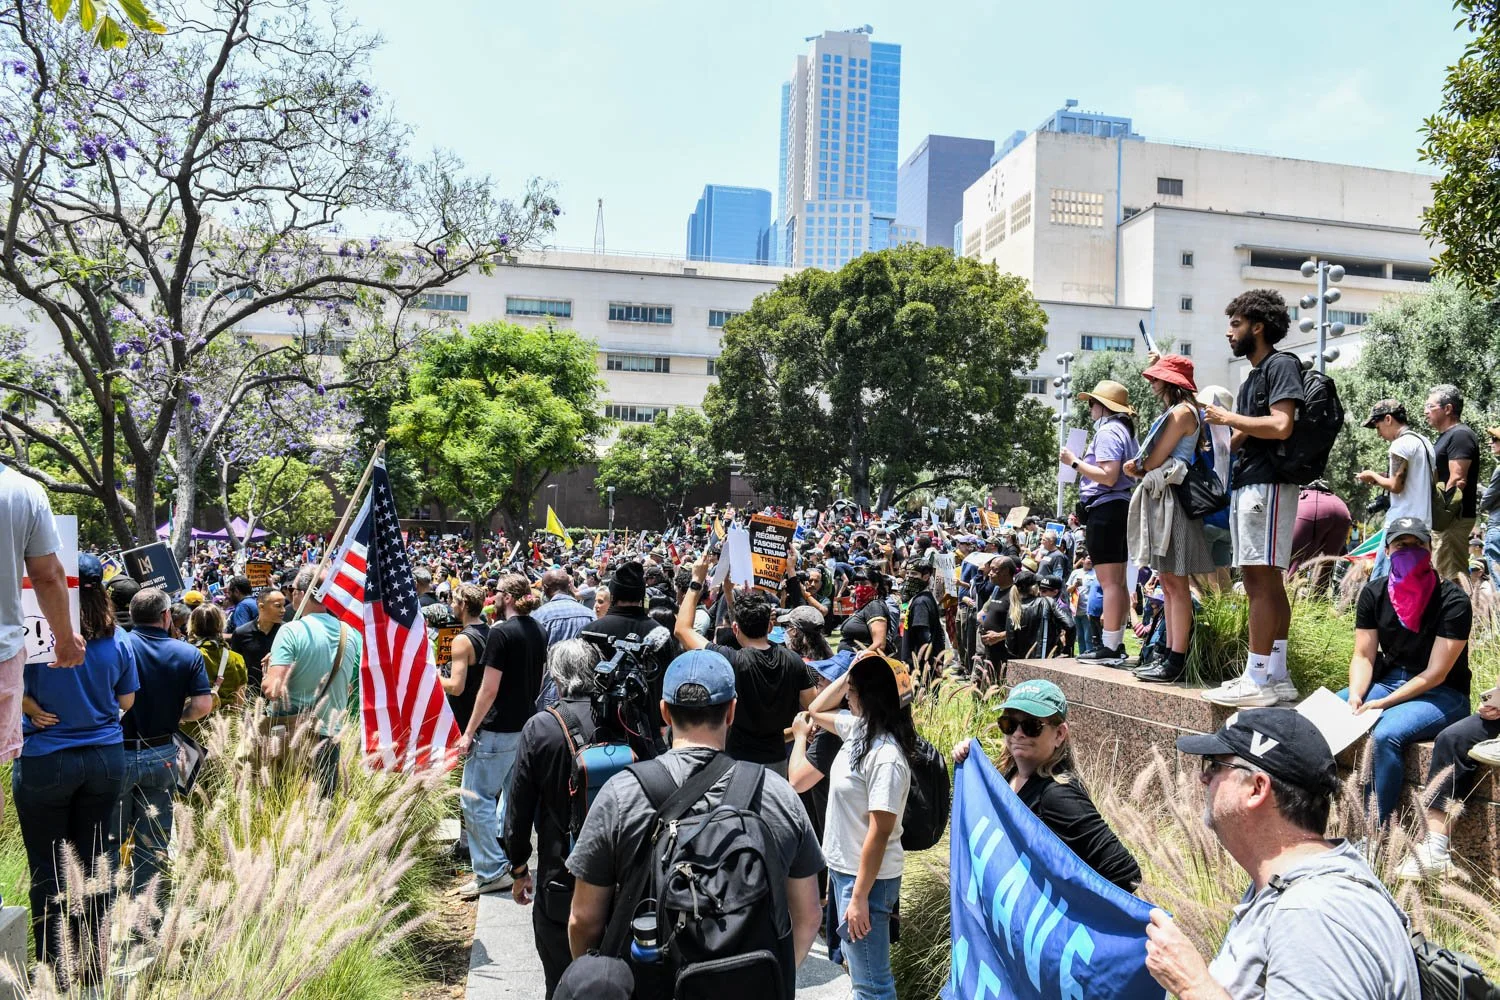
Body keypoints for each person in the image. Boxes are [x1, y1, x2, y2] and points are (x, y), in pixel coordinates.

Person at [565, 648, 824, 988]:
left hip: (649, 984)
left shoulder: (621, 793)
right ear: (731, 711)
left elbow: (583, 919)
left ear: (665, 712)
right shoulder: (777, 793)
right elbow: (807, 917)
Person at [1146, 709, 1420, 1000]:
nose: (1203, 777)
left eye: (1214, 766)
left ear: (1257, 788)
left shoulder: (1313, 914)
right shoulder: (1286, 886)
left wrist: (1193, 986)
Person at [15, 553, 136, 983]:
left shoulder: (33, 637)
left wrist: (30, 705)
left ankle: (55, 970)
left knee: (48, 870)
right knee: (97, 863)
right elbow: (126, 702)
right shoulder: (118, 639)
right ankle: (93, 966)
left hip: (46, 760)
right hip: (105, 759)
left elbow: (7, 686)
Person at [1203, 290, 1304, 708]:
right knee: (1265, 580)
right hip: (1253, 484)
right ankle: (1276, 676)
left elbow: (1281, 425)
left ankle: (1258, 676)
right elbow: (1245, 434)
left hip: (1268, 485)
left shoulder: (1280, 365)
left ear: (1257, 327)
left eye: (1236, 324)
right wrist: (1214, 440)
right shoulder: (1254, 376)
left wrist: (1227, 419)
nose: (1229, 332)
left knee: (1259, 580)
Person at [1338, 516, 1471, 826]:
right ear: (1387, 550)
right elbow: (1363, 655)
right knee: (1327, 715)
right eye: (1401, 545)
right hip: (1388, 680)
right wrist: (1357, 695)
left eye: (1417, 544)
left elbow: (1437, 672)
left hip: (1442, 693)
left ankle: (1374, 832)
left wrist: (1383, 704)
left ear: (1430, 549)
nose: (1409, 550)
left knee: (1386, 735)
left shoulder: (1453, 600)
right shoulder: (1374, 593)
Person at [950, 679, 1139, 890]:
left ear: (1059, 734)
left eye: (1031, 726)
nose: (1017, 734)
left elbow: (1125, 873)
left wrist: (1072, 909)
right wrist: (969, 759)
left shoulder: (1058, 795)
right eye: (1008, 724)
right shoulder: (1008, 773)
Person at [800, 651, 913, 1000]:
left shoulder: (886, 756)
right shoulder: (860, 730)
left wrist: (860, 897)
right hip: (845, 871)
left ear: (867, 695)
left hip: (867, 883)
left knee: (872, 985)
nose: (846, 695)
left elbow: (880, 832)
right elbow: (814, 711)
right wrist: (848, 672)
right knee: (859, 974)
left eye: (852, 689)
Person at [503, 639, 603, 998]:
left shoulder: (541, 727)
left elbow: (518, 808)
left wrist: (518, 868)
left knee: (560, 980)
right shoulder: (624, 717)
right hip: (621, 877)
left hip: (561, 876)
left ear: (555, 677)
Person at [674, 554, 816, 776]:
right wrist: (786, 735)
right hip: (779, 763)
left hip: (736, 764)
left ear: (735, 629)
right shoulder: (794, 661)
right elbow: (812, 710)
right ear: (769, 627)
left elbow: (682, 630)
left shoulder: (731, 661)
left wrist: (696, 582)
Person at [1124, 354, 1216, 683]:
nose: (1151, 382)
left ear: (1171, 381)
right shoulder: (1183, 410)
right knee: (1170, 582)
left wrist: (1138, 467)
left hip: (1173, 500)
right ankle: (1168, 653)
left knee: (1176, 582)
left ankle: (1175, 657)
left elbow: (1153, 459)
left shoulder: (1180, 412)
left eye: (1156, 377)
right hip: (1169, 499)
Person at [119, 587, 214, 899]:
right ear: (166, 616)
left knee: (107, 837)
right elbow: (202, 707)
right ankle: (146, 919)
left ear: (133, 616)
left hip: (115, 753)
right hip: (161, 753)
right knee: (153, 841)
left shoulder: (117, 645)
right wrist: (177, 716)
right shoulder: (187, 653)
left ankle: (103, 913)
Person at [457, 574, 547, 899]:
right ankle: (510, 861)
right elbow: (538, 681)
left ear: (507, 597)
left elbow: (489, 688)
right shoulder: (538, 629)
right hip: (524, 724)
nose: (492, 597)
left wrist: (468, 731)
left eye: (496, 593)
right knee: (511, 799)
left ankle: (491, 870)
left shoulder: (501, 634)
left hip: (496, 730)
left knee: (475, 798)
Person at [262, 565, 363, 798]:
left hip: (288, 736)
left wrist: (270, 671)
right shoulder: (349, 633)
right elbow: (349, 685)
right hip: (330, 736)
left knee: (283, 809)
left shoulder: (290, 631)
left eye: (292, 589)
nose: (290, 594)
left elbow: (273, 690)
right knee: (321, 811)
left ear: (303, 592)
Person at [1062, 380, 1138, 664]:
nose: (1089, 407)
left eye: (1092, 403)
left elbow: (1108, 474)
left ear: (1104, 407)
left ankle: (1109, 646)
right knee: (1116, 582)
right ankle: (1114, 643)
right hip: (1119, 507)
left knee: (1109, 583)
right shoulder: (1125, 431)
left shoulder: (1108, 432)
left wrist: (1074, 462)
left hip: (1105, 509)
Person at [1355, 399, 1433, 580]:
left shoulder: (1400, 444)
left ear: (1388, 419)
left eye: (1377, 426)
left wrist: (1372, 475)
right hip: (1423, 525)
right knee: (1413, 581)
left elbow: (1396, 486)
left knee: (1382, 581)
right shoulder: (1425, 443)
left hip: (1400, 526)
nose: (1378, 434)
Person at [1424, 384, 1479, 582]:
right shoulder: (1446, 436)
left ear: (1447, 409)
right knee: (1443, 575)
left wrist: (1441, 516)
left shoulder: (1460, 435)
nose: (1425, 411)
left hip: (1452, 519)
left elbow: (1458, 479)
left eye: (1430, 406)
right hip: (1445, 520)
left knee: (1451, 578)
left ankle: (1466, 613)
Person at [532, 568, 597, 709]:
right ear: (569, 586)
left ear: (545, 589)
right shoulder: (590, 615)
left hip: (549, 695)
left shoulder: (538, 617)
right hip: (586, 695)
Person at [187, 603, 248, 715]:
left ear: (192, 625)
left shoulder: (186, 656)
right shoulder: (236, 659)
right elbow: (239, 702)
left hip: (191, 728)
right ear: (220, 624)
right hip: (227, 726)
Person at [230, 587, 285, 694]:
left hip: (279, 695)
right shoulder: (241, 633)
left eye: (283, 605)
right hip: (250, 698)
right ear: (261, 607)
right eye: (278, 606)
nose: (283, 610)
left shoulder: (287, 632)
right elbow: (235, 669)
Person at [900, 560, 945, 670]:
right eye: (908, 573)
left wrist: (923, 660)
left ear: (926, 577)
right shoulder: (923, 597)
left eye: (914, 574)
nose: (909, 577)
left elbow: (924, 636)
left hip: (920, 666)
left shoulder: (921, 602)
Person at [839, 569, 891, 655]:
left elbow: (879, 644)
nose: (859, 587)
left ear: (875, 585)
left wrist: (859, 657)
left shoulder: (875, 606)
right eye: (856, 584)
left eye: (863, 584)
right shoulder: (864, 606)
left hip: (858, 661)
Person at [1480, 427, 1500, 584]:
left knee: (1498, 579)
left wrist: (1480, 492)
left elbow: (1486, 502)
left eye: (1494, 440)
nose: (1490, 443)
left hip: (1497, 527)